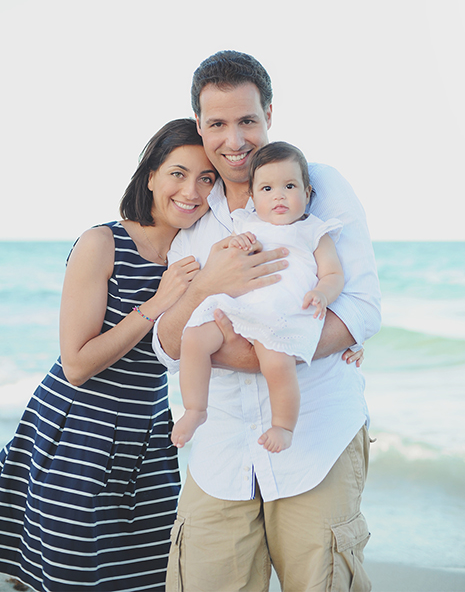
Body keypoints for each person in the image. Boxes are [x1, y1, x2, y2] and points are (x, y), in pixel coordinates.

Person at [152, 51, 381, 592]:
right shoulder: (193, 222)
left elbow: (362, 308)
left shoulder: (314, 185)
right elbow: (167, 345)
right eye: (218, 124)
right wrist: (209, 287)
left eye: (247, 120)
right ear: (201, 127)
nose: (234, 140)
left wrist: (254, 351)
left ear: (270, 115)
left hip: (316, 440)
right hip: (219, 451)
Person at [0, 120, 217, 591]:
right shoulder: (102, 243)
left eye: (207, 178)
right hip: (78, 433)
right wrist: (158, 303)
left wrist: (338, 333)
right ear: (151, 176)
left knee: (150, 577)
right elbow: (76, 365)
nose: (192, 191)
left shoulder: (196, 253)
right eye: (178, 173)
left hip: (147, 440)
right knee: (68, 574)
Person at [172, 141, 345, 453]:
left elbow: (333, 274)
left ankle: (283, 425)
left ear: (306, 194)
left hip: (281, 313)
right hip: (239, 307)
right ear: (252, 197)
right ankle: (195, 409)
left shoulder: (313, 231)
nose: (278, 195)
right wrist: (237, 244)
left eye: (289, 186)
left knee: (277, 364)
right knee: (194, 337)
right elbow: (226, 260)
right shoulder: (248, 225)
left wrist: (322, 293)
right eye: (266, 188)